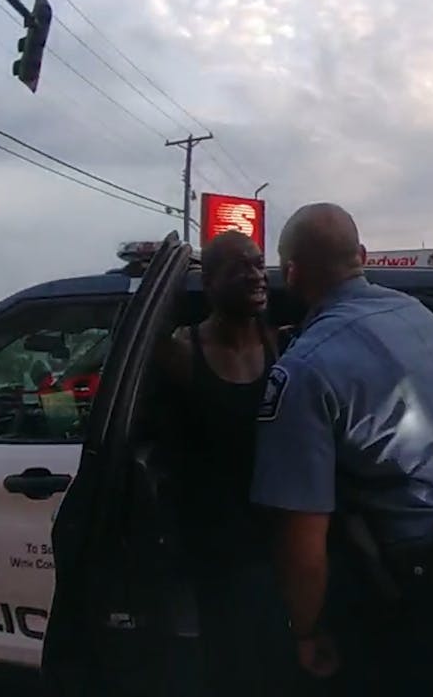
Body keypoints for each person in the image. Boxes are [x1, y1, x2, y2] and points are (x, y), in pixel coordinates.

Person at [250, 203, 433, 697]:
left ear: (292, 273)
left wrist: (305, 630)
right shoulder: (419, 317)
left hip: (393, 578)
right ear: (361, 254)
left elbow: (302, 533)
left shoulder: (305, 370)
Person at [155, 229, 297, 696]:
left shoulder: (286, 347)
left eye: (259, 265)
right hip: (214, 549)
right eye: (242, 268)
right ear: (210, 283)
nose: (257, 276)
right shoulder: (180, 354)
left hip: (281, 540)